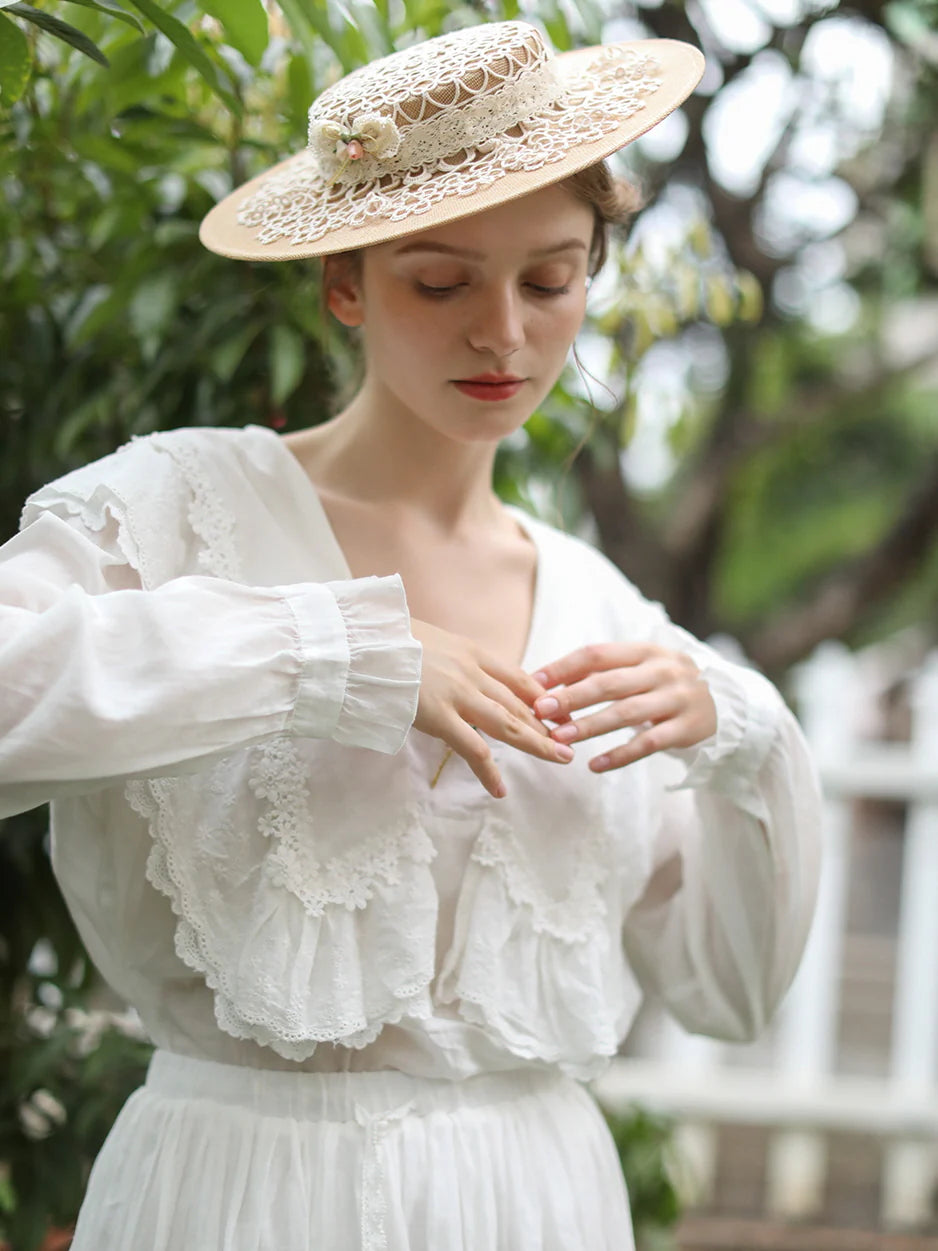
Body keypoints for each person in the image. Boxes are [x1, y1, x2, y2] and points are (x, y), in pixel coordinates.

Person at [0, 19, 822, 1250]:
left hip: (536, 1204)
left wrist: (749, 744)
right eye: (439, 282)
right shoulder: (170, 510)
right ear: (345, 284)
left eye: (548, 280)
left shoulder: (603, 612)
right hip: (233, 1199)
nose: (502, 333)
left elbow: (729, 994)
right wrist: (326, 656)